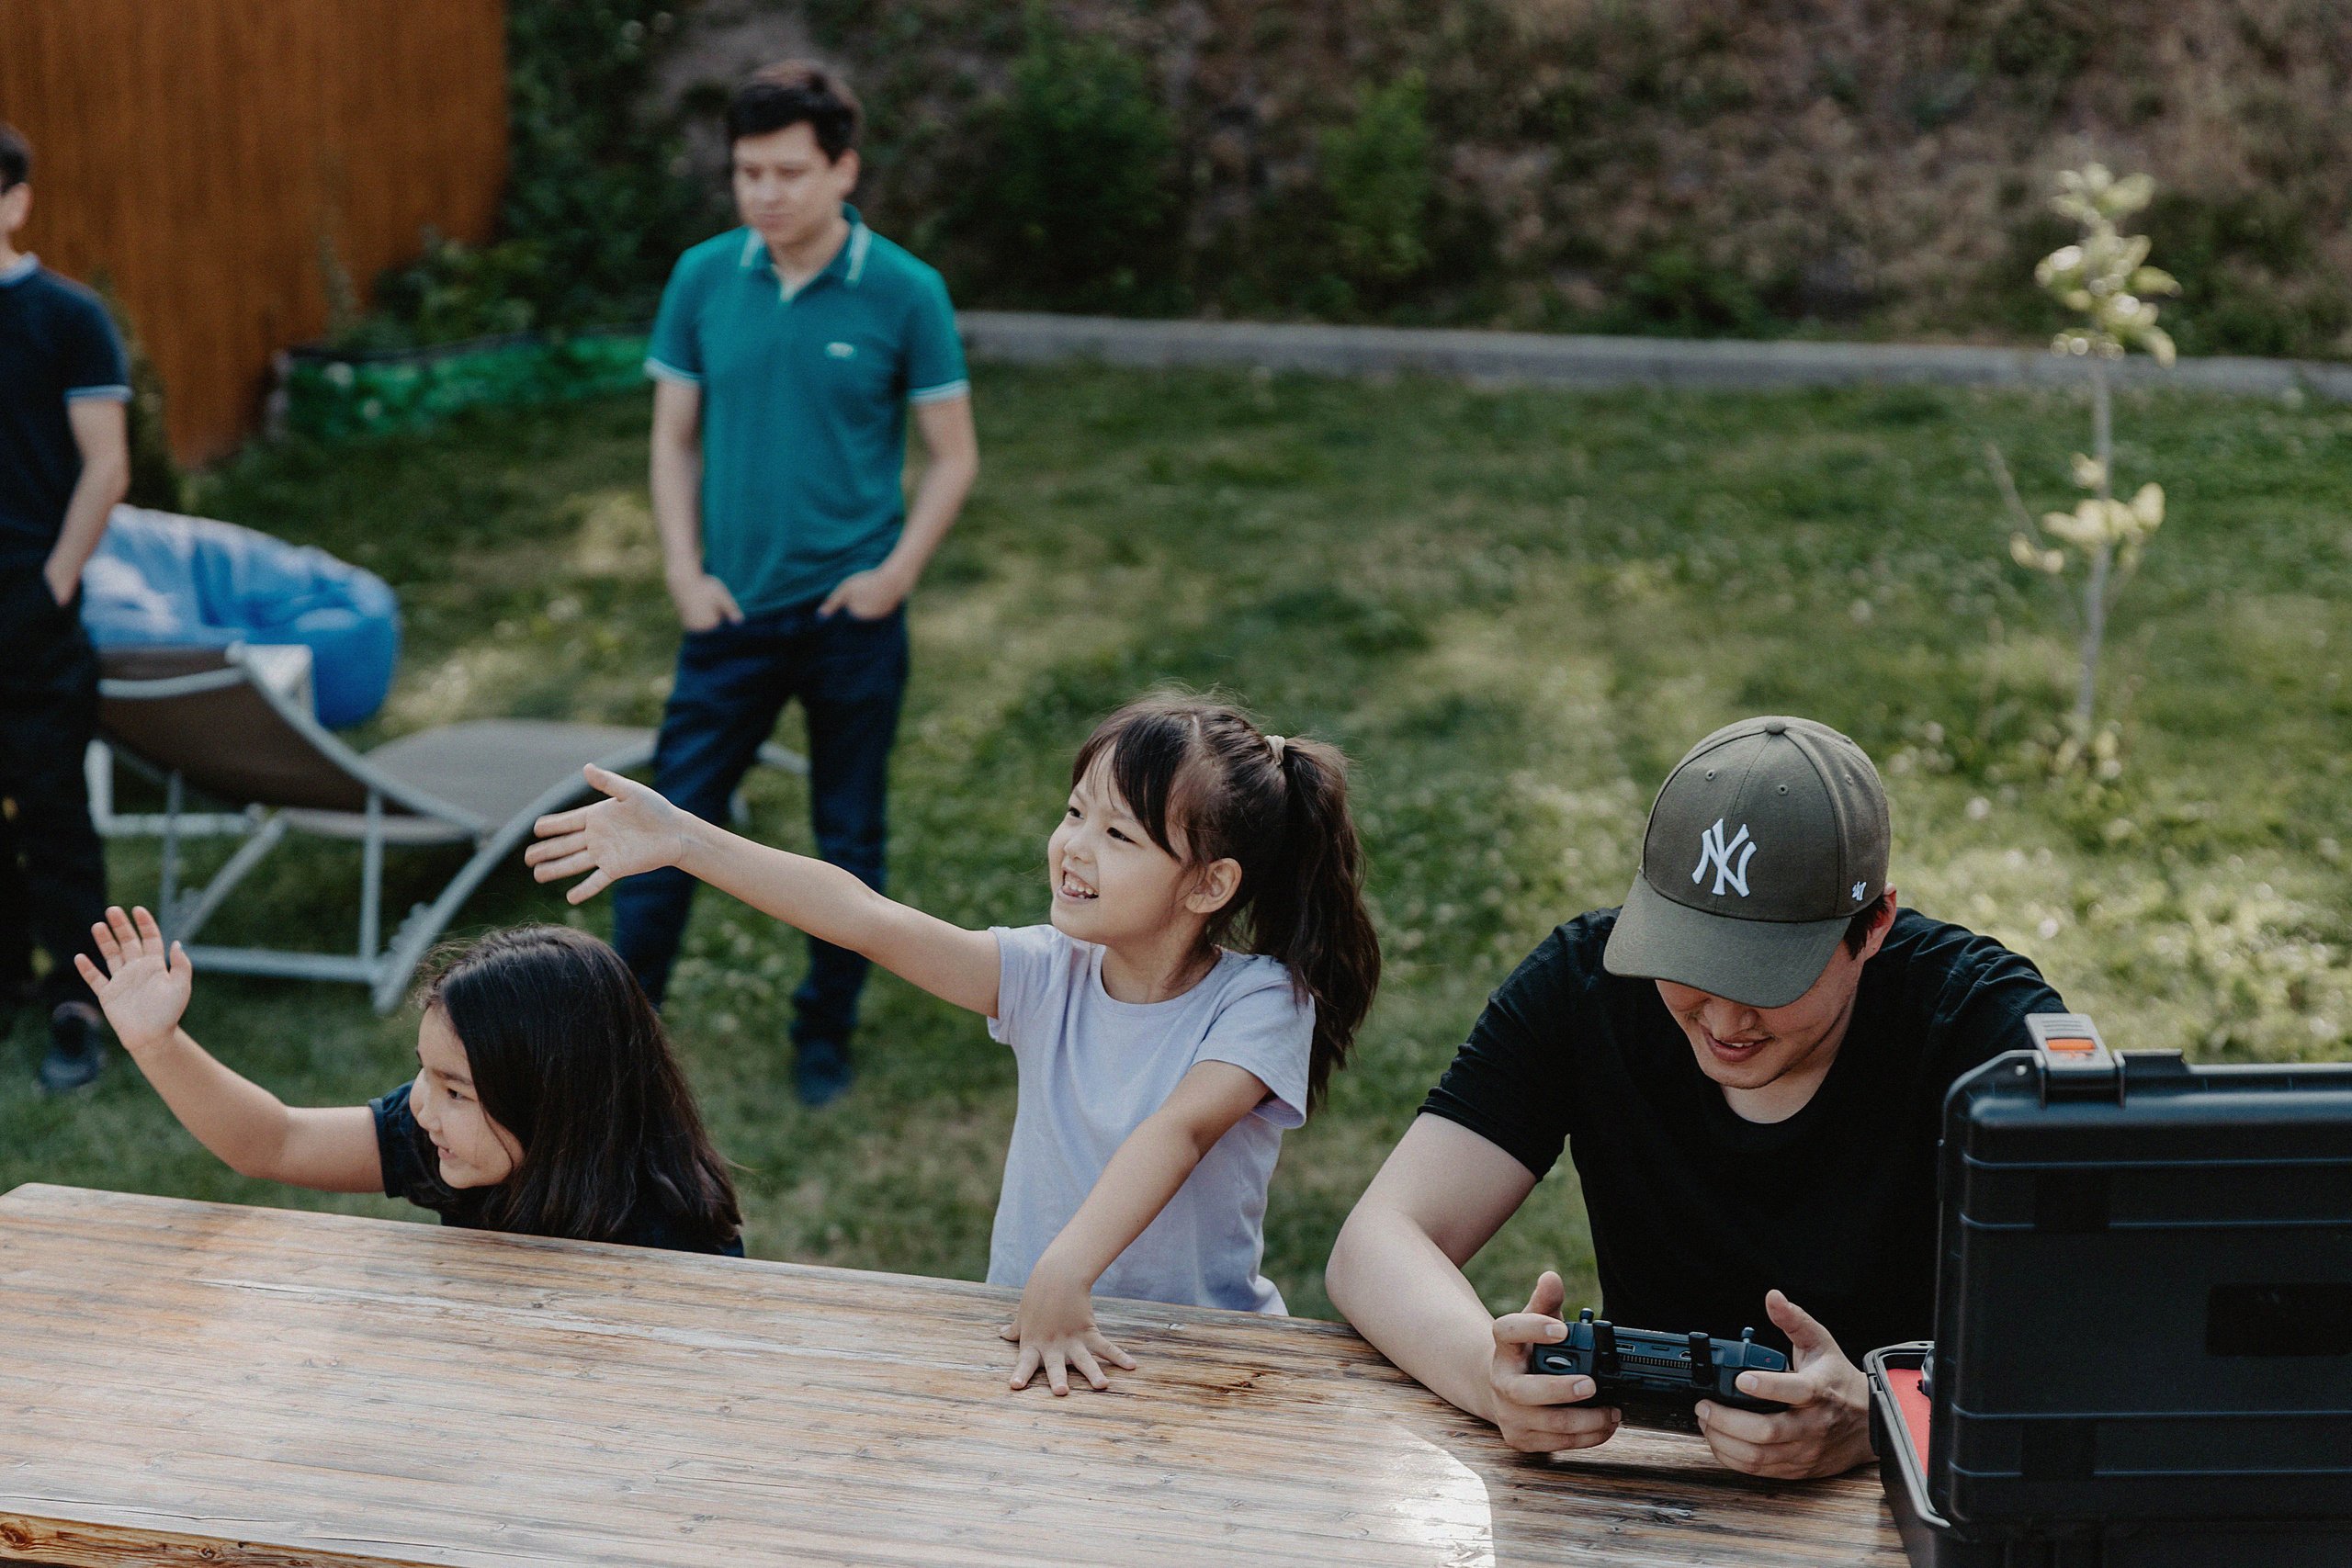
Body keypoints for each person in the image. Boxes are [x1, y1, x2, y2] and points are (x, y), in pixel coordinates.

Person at [530, 693, 1383, 1393]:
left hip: (1200, 1361)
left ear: (1210, 883)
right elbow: (867, 919)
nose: (1073, 847)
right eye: (1075, 812)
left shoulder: (1262, 998)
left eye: (1119, 834)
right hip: (1038, 1337)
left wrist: (1065, 1267)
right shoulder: (1048, 973)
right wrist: (687, 841)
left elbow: (1181, 1128)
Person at [1326, 715, 2065, 1479]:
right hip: (1643, 1499)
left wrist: (1887, 1418)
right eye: (1689, 963)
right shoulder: (1588, 985)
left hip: (1915, 1505)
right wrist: (1490, 1376)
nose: (1722, 1017)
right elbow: (1375, 1243)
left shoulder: (1985, 1029)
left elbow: (2115, 1322)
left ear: (1873, 924)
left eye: (1766, 976)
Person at [619, 62, 978, 1108]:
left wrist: (893, 574)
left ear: (843, 169)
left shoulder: (905, 291)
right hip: (726, 612)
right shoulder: (700, 278)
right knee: (660, 820)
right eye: (746, 173)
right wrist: (684, 572)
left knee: (849, 835)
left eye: (788, 171)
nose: (765, 193)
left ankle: (823, 1033)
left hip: (849, 618)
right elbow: (673, 441)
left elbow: (952, 454)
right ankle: (617, 1034)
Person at [75, 908, 743, 1255]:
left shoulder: (675, 1236)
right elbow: (274, 1142)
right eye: (425, 1073)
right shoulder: (448, 1139)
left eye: (456, 1090)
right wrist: (158, 1045)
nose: (422, 1106)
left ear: (554, 1105)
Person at [0, 122, 130, 1093]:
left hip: (32, 607)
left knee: (52, 807)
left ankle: (78, 1006)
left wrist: (52, 583)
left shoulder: (68, 317)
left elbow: (107, 465)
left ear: (15, 201)